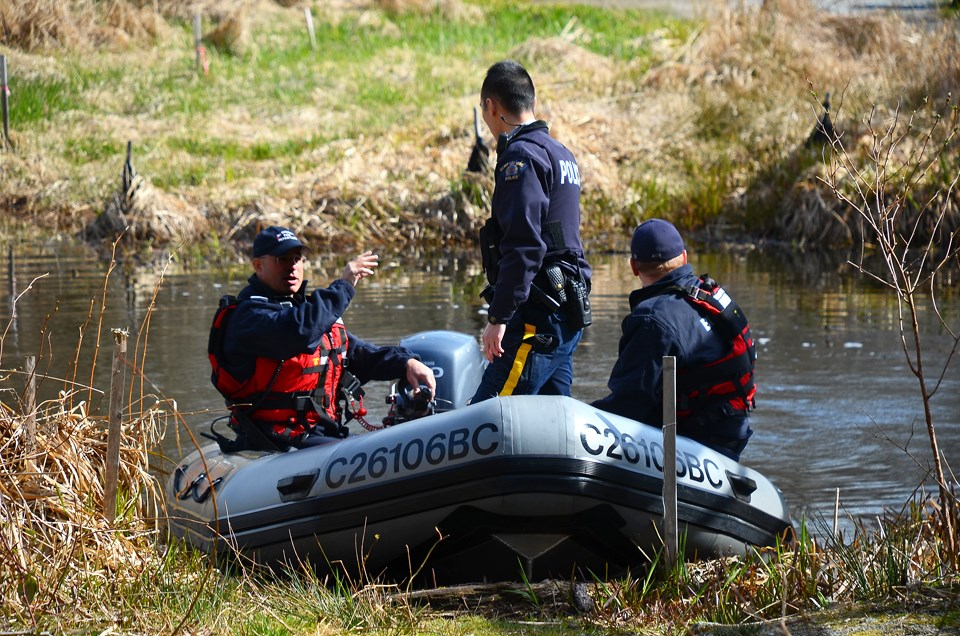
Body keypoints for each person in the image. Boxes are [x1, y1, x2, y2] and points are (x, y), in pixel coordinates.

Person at [208, 225, 436, 452]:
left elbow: (357, 355)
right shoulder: (249, 317)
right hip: (275, 439)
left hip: (322, 433)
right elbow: (298, 332)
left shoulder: (308, 312)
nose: (292, 266)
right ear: (258, 265)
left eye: (297, 259)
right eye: (282, 259)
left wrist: (406, 362)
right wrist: (344, 285)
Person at [471, 59, 592, 403]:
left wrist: (499, 316)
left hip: (537, 317)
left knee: (489, 414)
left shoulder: (519, 159)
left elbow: (524, 246)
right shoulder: (561, 153)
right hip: (568, 310)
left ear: (490, 107)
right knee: (553, 419)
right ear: (532, 103)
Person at [591, 219, 757, 461]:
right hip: (734, 429)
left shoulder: (651, 319)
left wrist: (578, 420)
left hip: (699, 442)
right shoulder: (708, 295)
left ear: (634, 267)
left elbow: (627, 404)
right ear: (685, 257)